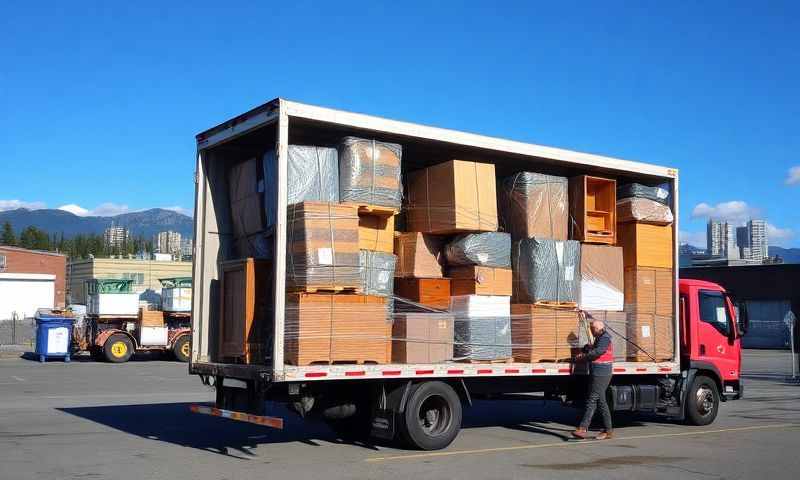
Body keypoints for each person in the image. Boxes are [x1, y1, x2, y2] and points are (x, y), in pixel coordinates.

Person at [572, 319, 614, 440]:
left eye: (592, 329)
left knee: (592, 399)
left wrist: (584, 357)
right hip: (598, 371)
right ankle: (608, 430)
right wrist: (586, 348)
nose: (591, 331)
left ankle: (583, 428)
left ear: (597, 329)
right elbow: (594, 348)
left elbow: (598, 352)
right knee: (601, 402)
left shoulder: (605, 337)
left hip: (602, 372)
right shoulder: (600, 337)